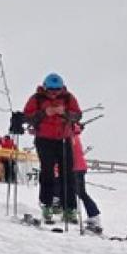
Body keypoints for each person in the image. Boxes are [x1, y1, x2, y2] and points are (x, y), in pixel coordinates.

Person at [23, 73, 81, 224]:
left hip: (63, 139)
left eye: (57, 89)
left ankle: (69, 209)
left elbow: (77, 115)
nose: (55, 93)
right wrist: (44, 113)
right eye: (51, 89)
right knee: (47, 172)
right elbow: (27, 116)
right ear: (45, 87)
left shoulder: (68, 98)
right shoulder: (37, 98)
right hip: (44, 140)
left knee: (67, 174)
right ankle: (46, 205)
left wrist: (65, 113)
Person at [72, 124, 102, 232]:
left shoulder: (70, 137)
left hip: (76, 168)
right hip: (78, 167)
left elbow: (69, 155)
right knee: (78, 192)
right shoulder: (74, 135)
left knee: (80, 193)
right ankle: (93, 215)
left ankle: (94, 215)